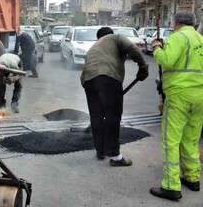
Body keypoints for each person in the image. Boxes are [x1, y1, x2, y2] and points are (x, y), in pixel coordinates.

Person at [150, 12, 203, 201]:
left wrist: (156, 48)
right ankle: (192, 177)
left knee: (170, 139)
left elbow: (166, 60)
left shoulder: (178, 37)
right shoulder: (200, 39)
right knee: (191, 138)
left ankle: (172, 186)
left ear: (176, 22)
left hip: (180, 94)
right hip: (200, 96)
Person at [81, 27, 149, 166]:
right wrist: (143, 66)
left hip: (88, 81)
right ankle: (115, 156)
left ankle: (100, 151)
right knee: (113, 116)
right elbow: (133, 49)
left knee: (96, 116)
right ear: (110, 34)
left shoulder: (94, 47)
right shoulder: (116, 38)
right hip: (108, 78)